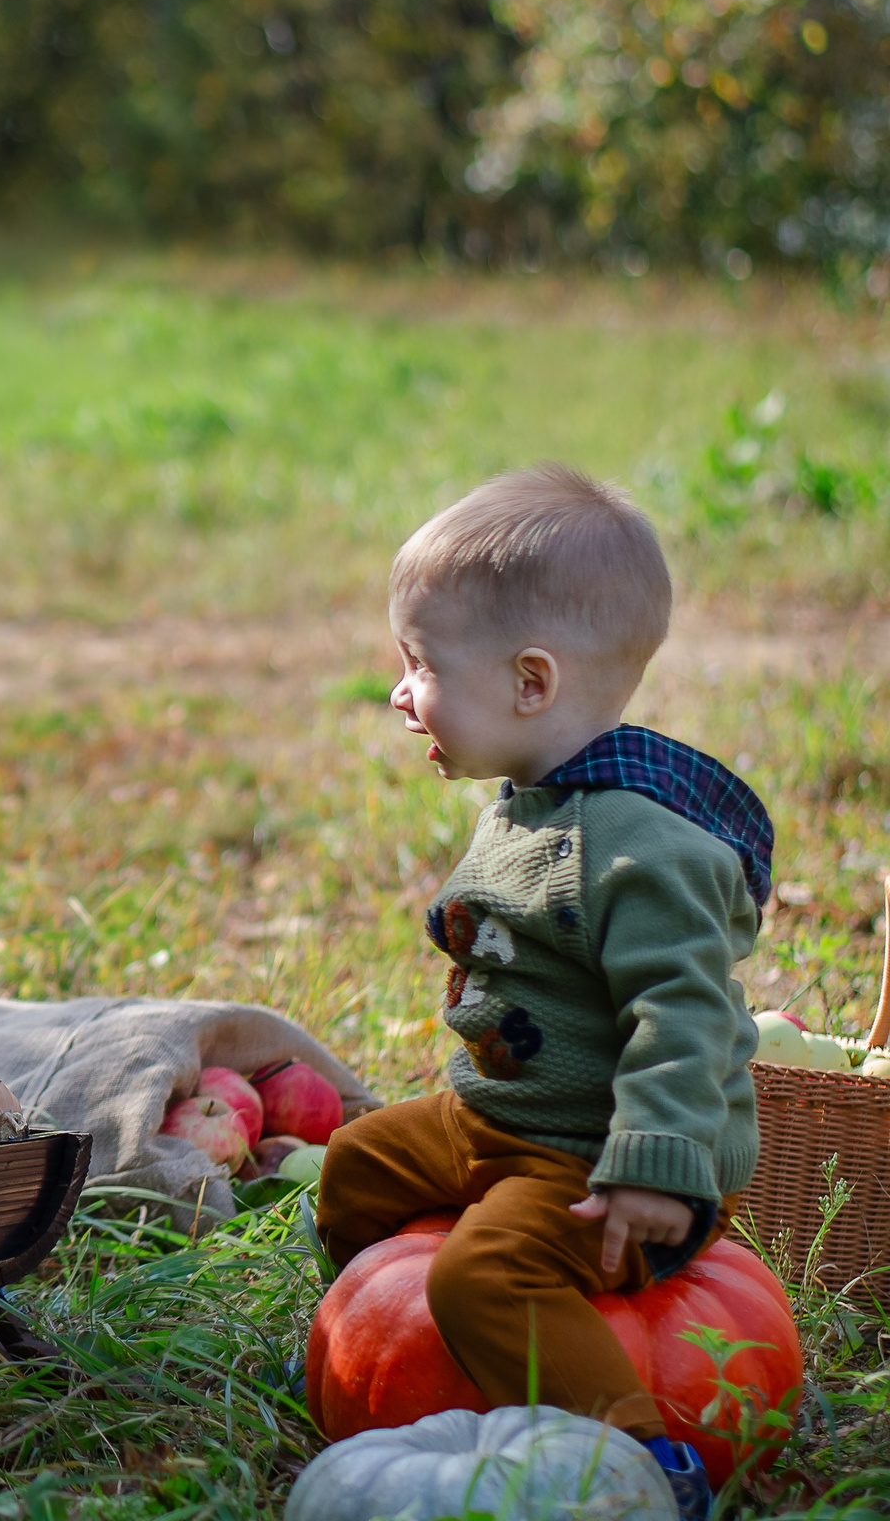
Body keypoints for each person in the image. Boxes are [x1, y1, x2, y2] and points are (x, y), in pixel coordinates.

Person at [313, 464, 766, 1520]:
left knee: (477, 1279)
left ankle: (640, 1458)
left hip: (605, 1151)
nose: (397, 690)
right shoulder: (536, 794)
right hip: (506, 1117)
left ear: (529, 682)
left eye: (418, 663)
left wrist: (656, 1168)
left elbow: (687, 1016)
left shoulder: (641, 850)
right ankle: (375, 1331)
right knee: (357, 1159)